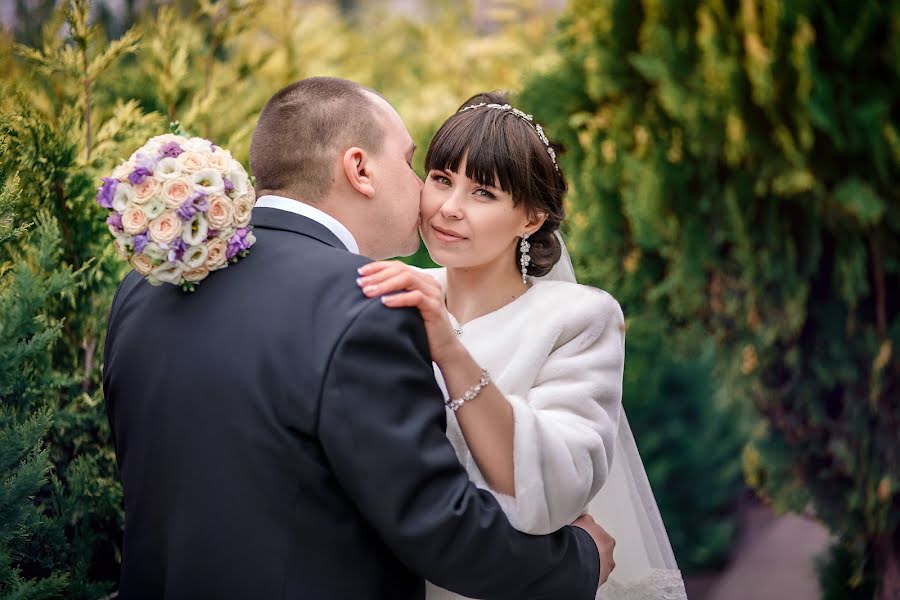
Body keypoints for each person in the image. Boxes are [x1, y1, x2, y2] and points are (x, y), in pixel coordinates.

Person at [102, 77, 614, 599]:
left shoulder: (147, 287)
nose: (428, 196)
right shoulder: (367, 304)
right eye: (418, 166)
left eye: (481, 191)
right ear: (360, 169)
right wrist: (578, 560)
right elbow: (436, 523)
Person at [358, 92, 688, 600]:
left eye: (483, 193)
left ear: (531, 218)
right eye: (442, 180)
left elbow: (554, 492)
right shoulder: (395, 292)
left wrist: (449, 348)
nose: (449, 208)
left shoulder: (578, 318)